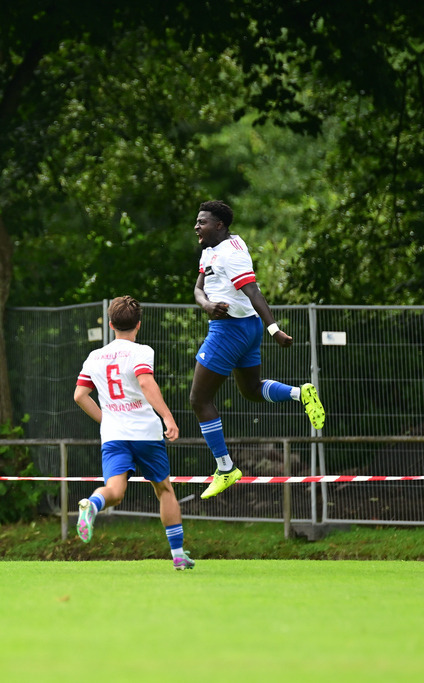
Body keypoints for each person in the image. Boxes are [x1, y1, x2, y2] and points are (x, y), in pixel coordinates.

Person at [191, 200, 326, 499]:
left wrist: (274, 329)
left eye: (202, 222)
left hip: (230, 330)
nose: (196, 226)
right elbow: (198, 289)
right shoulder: (210, 248)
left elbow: (253, 291)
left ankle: (225, 468)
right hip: (242, 328)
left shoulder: (231, 253)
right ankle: (300, 393)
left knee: (199, 399)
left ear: (219, 225)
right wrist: (207, 305)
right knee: (251, 390)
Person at [74, 296, 193, 570]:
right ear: (138, 324)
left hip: (114, 435)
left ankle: (93, 504)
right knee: (164, 489)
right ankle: (178, 555)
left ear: (110, 324)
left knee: (114, 492)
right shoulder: (141, 351)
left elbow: (80, 395)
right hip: (146, 434)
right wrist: (168, 416)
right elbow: (145, 382)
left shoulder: (94, 357)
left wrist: (106, 420)